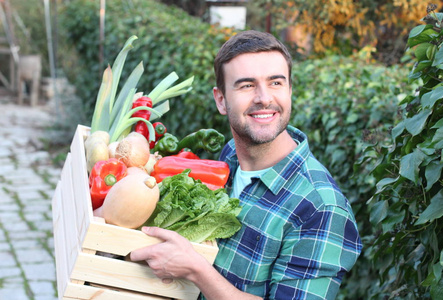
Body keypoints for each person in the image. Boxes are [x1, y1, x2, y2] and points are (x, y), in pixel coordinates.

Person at [130, 30, 362, 299]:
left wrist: (196, 270)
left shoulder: (321, 207)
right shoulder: (230, 155)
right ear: (221, 100)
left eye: (276, 83)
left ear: (289, 90)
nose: (264, 97)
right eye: (247, 85)